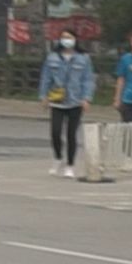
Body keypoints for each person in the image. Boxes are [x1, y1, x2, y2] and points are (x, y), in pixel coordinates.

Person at [38, 29, 95, 177]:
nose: (66, 40)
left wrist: (86, 98)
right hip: (57, 100)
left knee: (71, 134)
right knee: (55, 132)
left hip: (75, 101)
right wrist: (43, 96)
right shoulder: (52, 58)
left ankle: (70, 164)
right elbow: (46, 78)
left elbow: (88, 79)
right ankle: (58, 158)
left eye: (69, 37)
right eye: (63, 37)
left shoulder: (83, 58)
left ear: (75, 39)